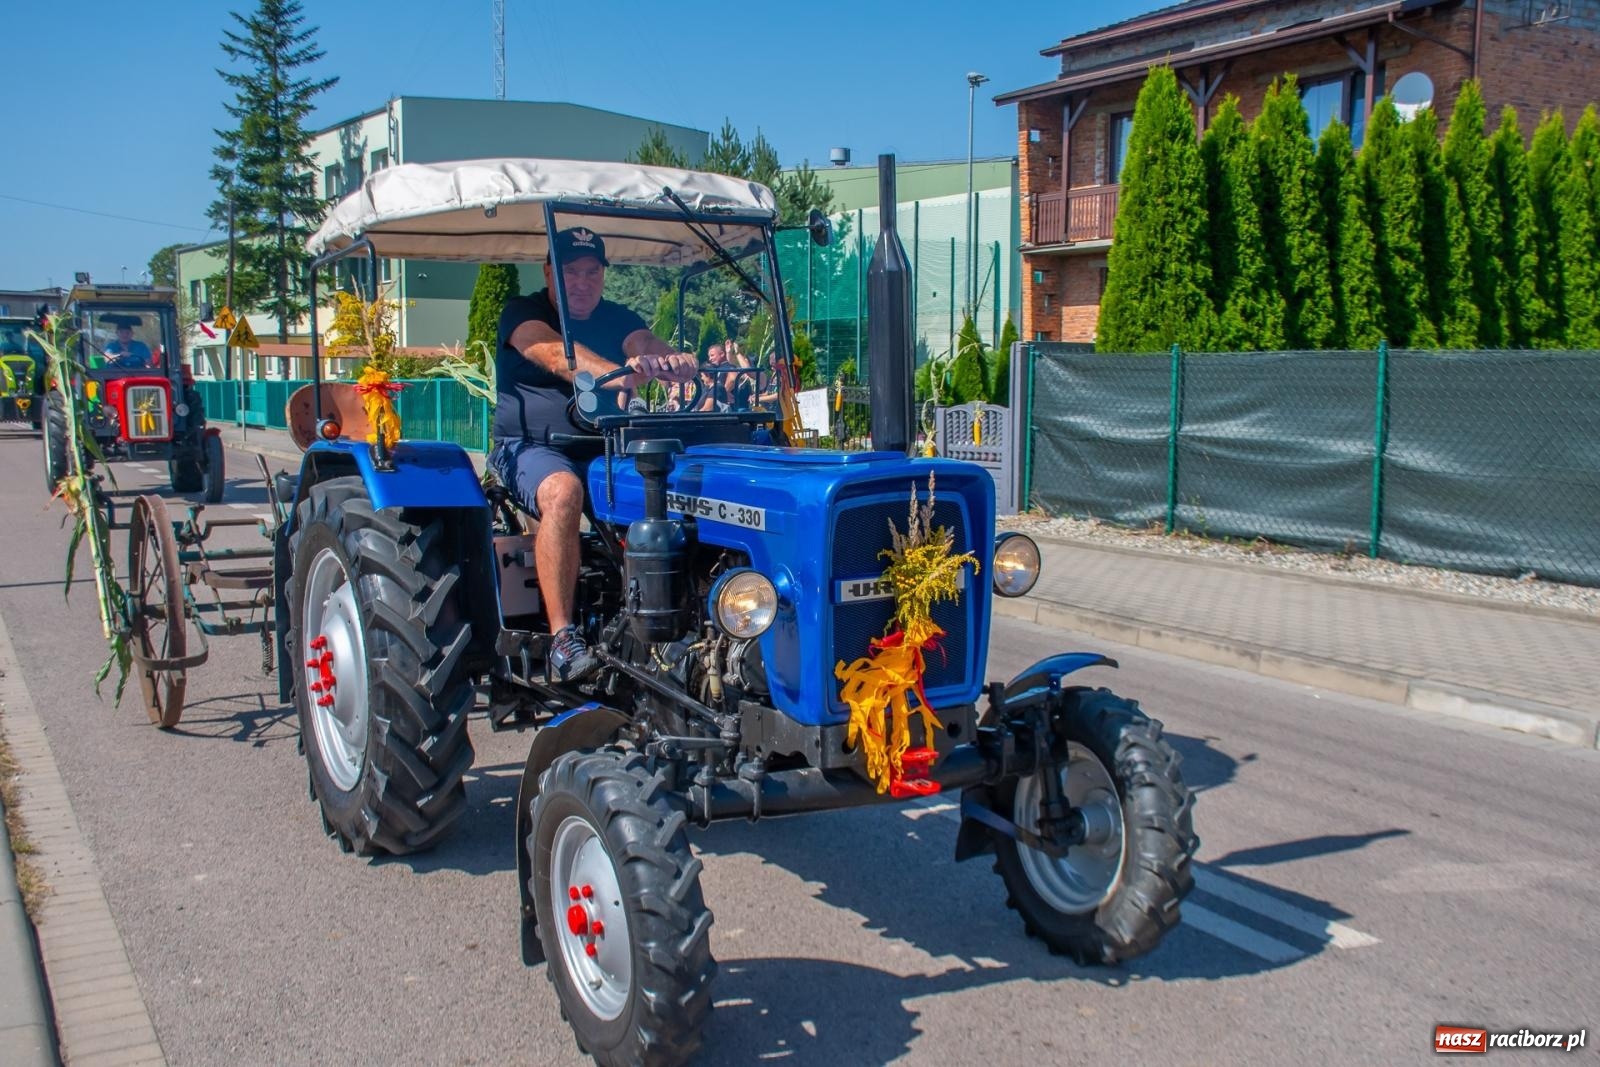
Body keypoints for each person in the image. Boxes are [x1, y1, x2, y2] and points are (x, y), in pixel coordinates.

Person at [490, 227, 698, 682]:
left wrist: (670, 361)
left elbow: (641, 343)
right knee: (563, 491)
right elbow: (550, 351)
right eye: (570, 272)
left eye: (591, 272)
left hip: (602, 446)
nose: (582, 282)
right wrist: (616, 373)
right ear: (549, 273)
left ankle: (675, 621)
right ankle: (563, 637)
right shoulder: (523, 313)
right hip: (530, 447)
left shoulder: (616, 316)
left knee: (668, 486)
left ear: (603, 275)